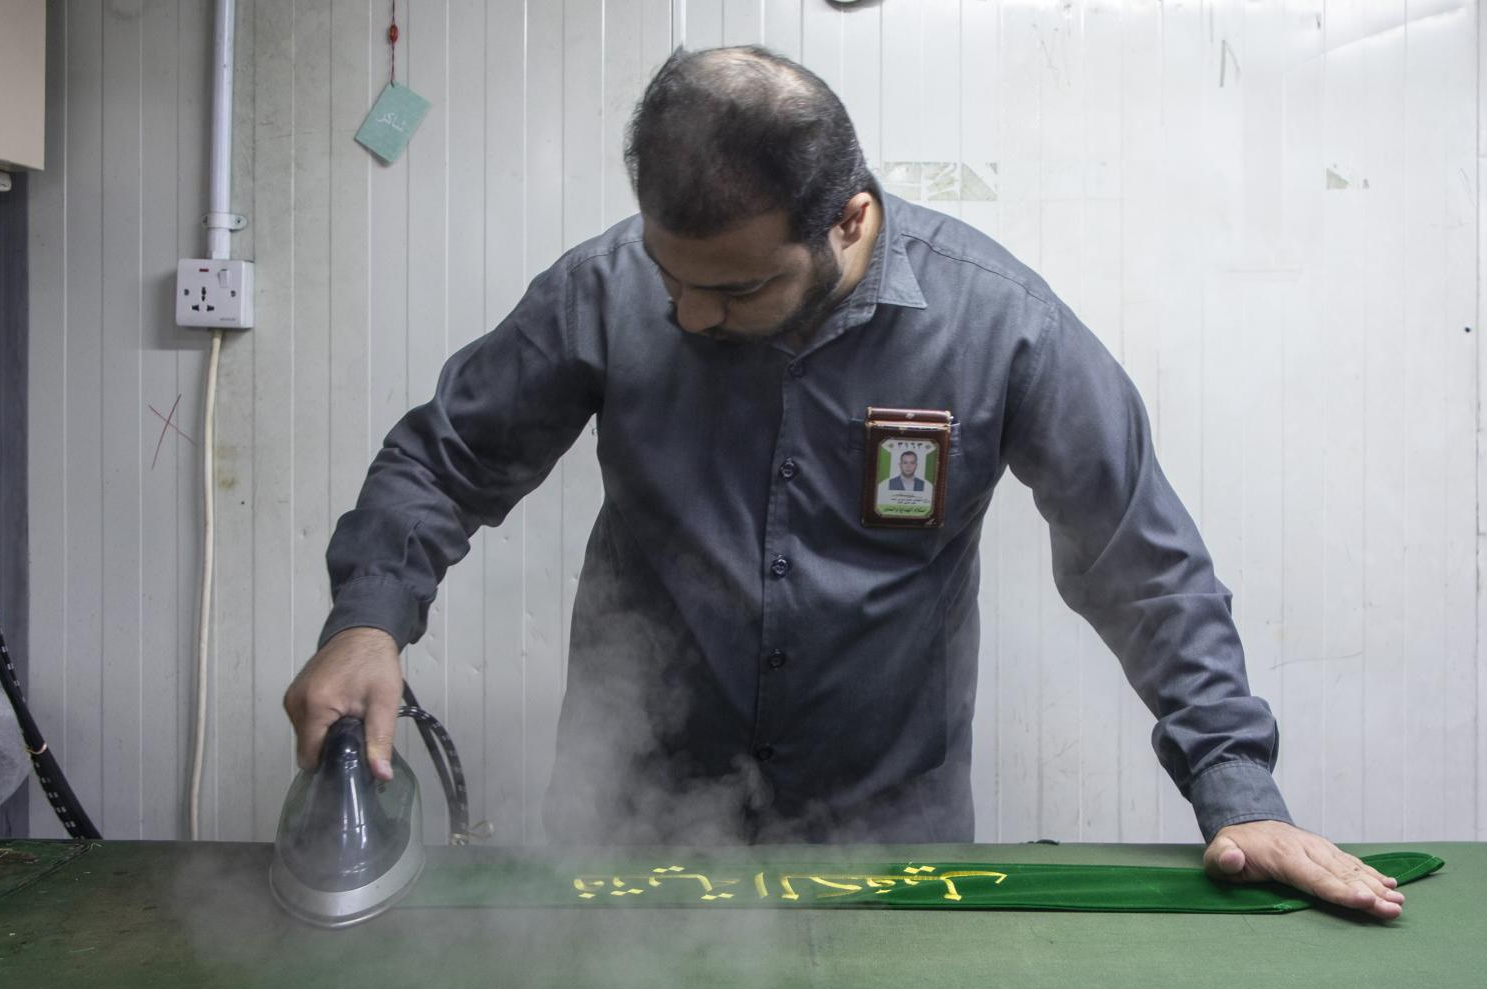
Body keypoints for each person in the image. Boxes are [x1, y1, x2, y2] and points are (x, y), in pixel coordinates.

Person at [282, 46, 1404, 920]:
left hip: (887, 845)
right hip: (636, 828)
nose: (689, 314)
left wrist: (1236, 791)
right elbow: (445, 457)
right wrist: (367, 619)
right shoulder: (607, 290)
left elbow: (1140, 566)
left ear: (849, 220)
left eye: (736, 290)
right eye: (671, 275)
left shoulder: (999, 327)